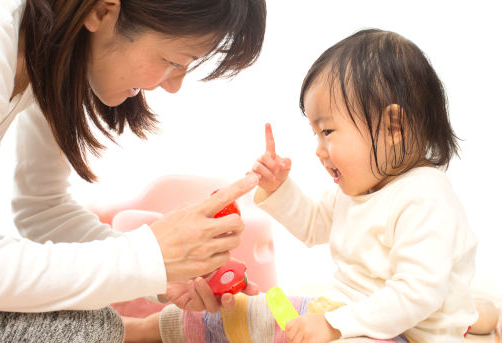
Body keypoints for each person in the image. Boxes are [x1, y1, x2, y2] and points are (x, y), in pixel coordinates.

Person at [154, 29, 480, 342]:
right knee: (243, 311)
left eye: (327, 132)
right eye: (315, 133)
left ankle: (479, 315)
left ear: (393, 126)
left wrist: (334, 326)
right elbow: (311, 225)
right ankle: (145, 329)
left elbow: (416, 295)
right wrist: (280, 187)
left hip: (409, 334)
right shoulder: (357, 191)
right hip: (346, 317)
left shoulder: (425, 197)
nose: (318, 150)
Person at [0, 0, 266, 341]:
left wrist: (162, 271)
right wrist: (147, 256)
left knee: (88, 322)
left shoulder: (53, 55)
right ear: (102, 11)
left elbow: (42, 209)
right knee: (89, 327)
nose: (174, 85)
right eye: (174, 61)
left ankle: (146, 331)